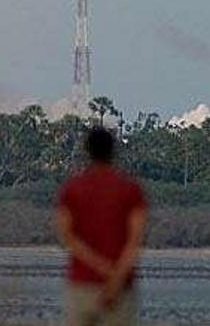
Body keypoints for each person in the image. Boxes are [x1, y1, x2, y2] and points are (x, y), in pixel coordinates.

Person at [56, 126, 147, 326]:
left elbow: (67, 237)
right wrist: (115, 278)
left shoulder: (72, 189)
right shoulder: (131, 189)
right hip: (122, 288)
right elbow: (135, 240)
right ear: (112, 151)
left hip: (82, 285)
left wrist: (102, 269)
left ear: (88, 151)